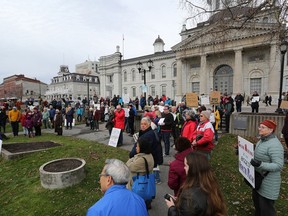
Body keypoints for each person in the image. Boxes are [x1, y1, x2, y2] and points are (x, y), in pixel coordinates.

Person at [250, 120, 284, 216]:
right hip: (259, 179)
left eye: (262, 127)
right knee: (258, 206)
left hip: (269, 183)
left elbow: (278, 165)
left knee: (267, 210)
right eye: (259, 126)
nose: (259, 128)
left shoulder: (275, 145)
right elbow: (259, 153)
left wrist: (260, 164)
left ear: (271, 130)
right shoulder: (262, 140)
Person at [126, 138, 154, 209]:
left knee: (137, 203)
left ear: (142, 148)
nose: (136, 147)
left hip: (138, 183)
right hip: (144, 181)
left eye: (137, 146)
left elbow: (128, 165)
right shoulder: (148, 155)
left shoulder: (141, 160)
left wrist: (131, 160)